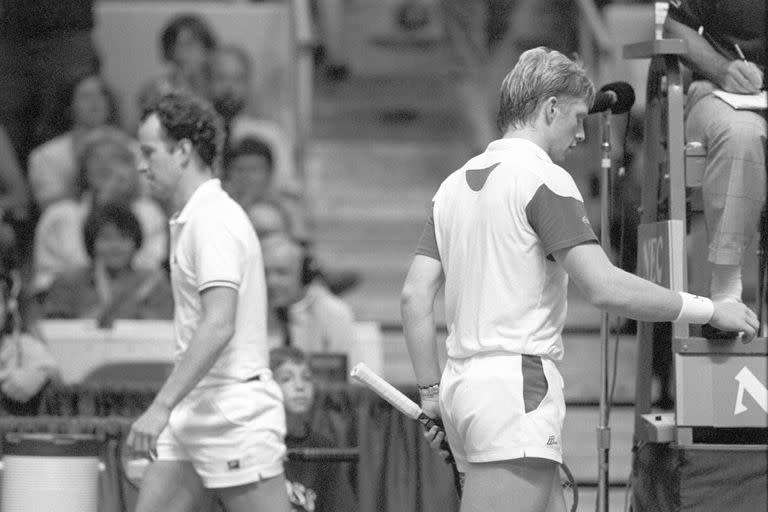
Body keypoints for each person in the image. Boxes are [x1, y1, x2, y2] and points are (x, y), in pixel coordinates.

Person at [400, 47, 758, 512]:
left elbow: (413, 297)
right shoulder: (542, 178)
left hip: (465, 390)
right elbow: (604, 287)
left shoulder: (451, 186)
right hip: (515, 392)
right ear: (550, 108)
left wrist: (431, 393)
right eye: (576, 118)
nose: (583, 133)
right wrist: (710, 308)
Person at [127, 91, 290, 512]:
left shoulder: (213, 220)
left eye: (149, 152)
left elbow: (219, 324)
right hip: (193, 407)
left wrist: (160, 405)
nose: (141, 166)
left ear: (182, 151)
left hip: (235, 414)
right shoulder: (191, 218)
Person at [663, 0, 766, 317]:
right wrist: (721, 70)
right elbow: (673, 25)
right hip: (725, 95)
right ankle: (726, 295)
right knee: (741, 134)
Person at [33, 127, 167, 292]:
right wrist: (104, 204)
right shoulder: (60, 216)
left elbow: (147, 267)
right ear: (83, 169)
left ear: (131, 170)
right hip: (69, 305)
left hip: (136, 305)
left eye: (115, 158)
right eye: (96, 158)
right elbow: (73, 266)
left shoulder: (148, 213)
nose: (105, 165)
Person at [42, 203, 173, 325]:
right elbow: (54, 330)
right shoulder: (67, 283)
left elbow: (166, 329)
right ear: (92, 243)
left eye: (124, 238)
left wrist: (133, 311)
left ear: (136, 243)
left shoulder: (154, 283)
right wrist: (96, 316)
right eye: (106, 238)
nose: (115, 246)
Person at [270, 346, 357, 512]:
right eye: (286, 379)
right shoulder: (257, 444)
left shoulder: (324, 449)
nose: (300, 386)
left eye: (307, 378)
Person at [27, 73, 120, 211]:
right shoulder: (45, 157)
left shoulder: (132, 148)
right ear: (69, 106)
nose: (96, 102)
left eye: (101, 94)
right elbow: (49, 207)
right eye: (86, 96)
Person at [261, 233, 356, 356]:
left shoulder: (333, 313)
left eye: (282, 272)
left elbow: (345, 371)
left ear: (304, 275)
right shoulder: (248, 310)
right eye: (264, 272)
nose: (271, 282)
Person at [138, 14, 218, 112]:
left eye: (190, 44)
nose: (182, 53)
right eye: (176, 45)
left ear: (207, 49)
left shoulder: (218, 88)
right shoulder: (156, 90)